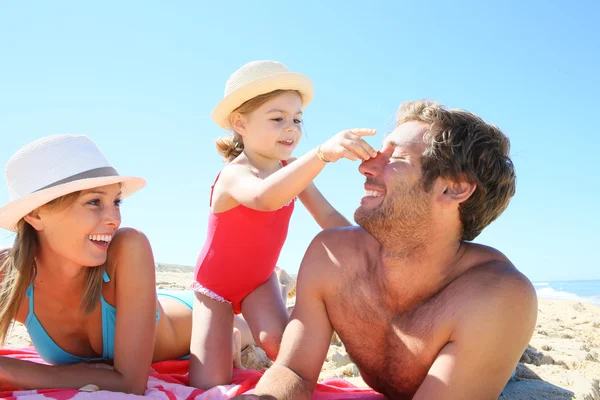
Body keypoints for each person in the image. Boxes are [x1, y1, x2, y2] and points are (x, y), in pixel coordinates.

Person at [250, 100, 538, 399]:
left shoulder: (496, 297)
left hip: (487, 354)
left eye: (397, 156)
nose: (365, 166)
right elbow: (293, 371)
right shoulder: (331, 257)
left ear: (453, 188)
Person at [0, 134, 251, 394]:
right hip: (138, 297)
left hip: (195, 314)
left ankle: (274, 285)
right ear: (35, 215)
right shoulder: (8, 275)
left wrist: (10, 370)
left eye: (116, 202)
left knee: (259, 331)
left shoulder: (128, 246)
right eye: (94, 202)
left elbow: (130, 384)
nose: (114, 219)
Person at [189, 60, 378, 389]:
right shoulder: (237, 172)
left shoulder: (292, 171)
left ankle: (258, 311)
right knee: (209, 384)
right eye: (277, 119)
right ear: (240, 123)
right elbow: (265, 198)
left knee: (280, 345)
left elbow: (329, 219)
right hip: (215, 288)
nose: (291, 128)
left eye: (297, 119)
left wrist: (370, 244)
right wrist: (321, 155)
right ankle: (235, 334)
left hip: (259, 281)